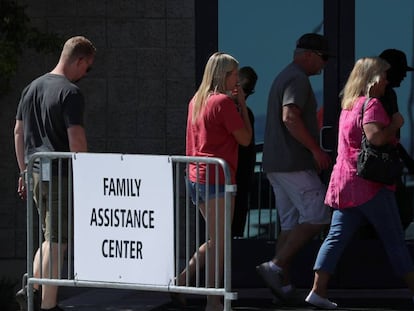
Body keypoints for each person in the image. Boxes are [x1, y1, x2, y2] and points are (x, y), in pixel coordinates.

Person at [305, 57, 414, 309]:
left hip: (345, 184)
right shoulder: (372, 105)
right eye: (384, 76)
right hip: (369, 185)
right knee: (395, 239)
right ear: (373, 79)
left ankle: (317, 290)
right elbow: (376, 139)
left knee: (335, 237)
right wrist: (396, 125)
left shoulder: (349, 105)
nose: (387, 81)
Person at [14, 36, 96, 311]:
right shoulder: (70, 93)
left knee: (51, 235)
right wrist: (86, 174)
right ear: (79, 60)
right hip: (61, 173)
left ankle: (32, 287)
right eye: (88, 68)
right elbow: (77, 139)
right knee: (58, 240)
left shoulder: (31, 88)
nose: (86, 74)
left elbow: (18, 132)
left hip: (37, 171)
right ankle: (46, 303)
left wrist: (23, 171)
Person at [256, 33, 333, 300]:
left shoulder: (284, 76)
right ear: (309, 55)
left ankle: (282, 285)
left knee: (289, 225)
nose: (324, 66)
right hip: (294, 163)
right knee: (320, 215)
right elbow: (290, 117)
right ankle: (275, 266)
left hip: (276, 164)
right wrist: (315, 149)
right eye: (323, 59)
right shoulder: (297, 79)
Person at [173, 52, 252, 311]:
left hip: (196, 177)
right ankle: (213, 301)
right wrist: (241, 103)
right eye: (234, 75)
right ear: (224, 75)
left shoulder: (196, 99)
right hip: (217, 179)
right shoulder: (223, 103)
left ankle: (181, 281)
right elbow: (245, 139)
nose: (237, 81)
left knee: (215, 238)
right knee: (220, 242)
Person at [379, 49, 414, 230]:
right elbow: (384, 134)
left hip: (388, 162)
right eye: (402, 71)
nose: (404, 77)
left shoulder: (388, 93)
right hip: (380, 165)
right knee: (402, 212)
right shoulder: (379, 94)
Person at [232, 66, 258, 238]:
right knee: (225, 232)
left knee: (235, 226)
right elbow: (246, 141)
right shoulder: (231, 110)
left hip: (240, 175)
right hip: (231, 175)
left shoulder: (245, 112)